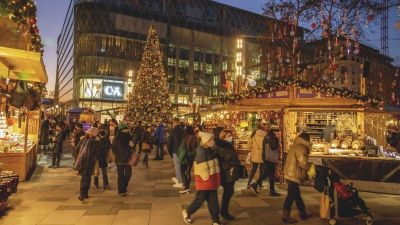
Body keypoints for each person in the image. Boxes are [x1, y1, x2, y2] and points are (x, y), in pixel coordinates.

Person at [182, 132, 222, 225]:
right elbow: (200, 169)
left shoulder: (209, 149)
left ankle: (215, 219)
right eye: (211, 140)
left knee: (213, 200)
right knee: (200, 200)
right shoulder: (202, 152)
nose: (213, 141)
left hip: (211, 180)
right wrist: (209, 180)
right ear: (206, 142)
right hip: (205, 181)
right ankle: (187, 212)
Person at [282, 132, 313, 224]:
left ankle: (303, 212)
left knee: (296, 194)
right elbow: (303, 163)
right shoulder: (301, 147)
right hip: (293, 174)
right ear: (306, 139)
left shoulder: (296, 145)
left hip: (289, 173)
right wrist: (311, 166)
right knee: (291, 195)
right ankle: (285, 215)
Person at [215, 130, 241, 221]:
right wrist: (234, 164)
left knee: (228, 192)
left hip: (227, 172)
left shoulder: (226, 146)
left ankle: (223, 211)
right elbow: (230, 158)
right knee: (228, 192)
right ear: (224, 137)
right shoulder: (224, 147)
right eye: (229, 135)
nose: (231, 137)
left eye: (231, 135)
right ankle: (223, 212)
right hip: (227, 173)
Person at [250, 126, 281, 196]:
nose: (279, 133)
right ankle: (255, 184)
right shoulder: (272, 137)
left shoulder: (267, 136)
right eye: (278, 132)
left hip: (267, 158)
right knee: (267, 174)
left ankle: (271, 190)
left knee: (271, 174)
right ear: (274, 132)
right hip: (270, 158)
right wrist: (277, 140)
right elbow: (273, 147)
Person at [74, 128, 97, 201]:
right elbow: (98, 152)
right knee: (88, 178)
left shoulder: (82, 140)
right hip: (90, 162)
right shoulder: (95, 142)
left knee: (84, 178)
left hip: (83, 162)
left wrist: (79, 157)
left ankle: (82, 194)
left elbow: (76, 150)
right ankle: (85, 194)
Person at [112, 122, 133, 196]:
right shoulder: (117, 138)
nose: (126, 131)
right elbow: (113, 148)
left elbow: (132, 146)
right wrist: (119, 154)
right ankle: (121, 191)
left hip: (128, 159)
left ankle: (124, 187)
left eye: (127, 130)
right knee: (120, 176)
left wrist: (132, 146)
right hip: (119, 159)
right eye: (124, 130)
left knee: (128, 174)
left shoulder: (129, 136)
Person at [247, 120, 267, 193]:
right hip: (263, 154)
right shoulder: (265, 135)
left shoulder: (254, 134)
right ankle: (260, 184)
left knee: (253, 169)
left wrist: (250, 150)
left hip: (255, 154)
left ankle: (249, 183)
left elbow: (249, 144)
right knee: (262, 170)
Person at [179, 125, 198, 194]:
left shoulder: (185, 137)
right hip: (191, 156)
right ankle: (187, 186)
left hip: (185, 156)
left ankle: (186, 186)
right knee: (188, 172)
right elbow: (196, 147)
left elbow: (182, 147)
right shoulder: (194, 137)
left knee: (182, 170)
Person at [168, 118, 185, 188]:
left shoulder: (172, 130)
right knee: (182, 166)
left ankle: (180, 182)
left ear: (173, 123)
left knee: (177, 167)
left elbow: (169, 142)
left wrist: (170, 152)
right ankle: (183, 180)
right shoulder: (183, 130)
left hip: (175, 151)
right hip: (183, 150)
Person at [93, 125, 110, 189]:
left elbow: (109, 146)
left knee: (99, 171)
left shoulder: (104, 137)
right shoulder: (96, 137)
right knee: (97, 171)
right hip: (98, 156)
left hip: (100, 156)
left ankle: (103, 184)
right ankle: (102, 184)